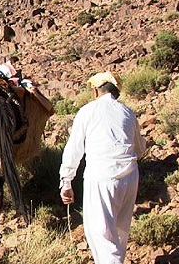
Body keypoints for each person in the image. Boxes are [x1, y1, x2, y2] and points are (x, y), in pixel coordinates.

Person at [59, 71, 147, 264]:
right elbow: (140, 149)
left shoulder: (88, 111)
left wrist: (66, 181)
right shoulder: (128, 113)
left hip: (101, 177)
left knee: (101, 235)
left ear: (96, 91)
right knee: (120, 232)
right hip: (130, 177)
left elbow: (74, 149)